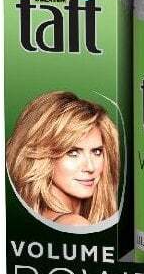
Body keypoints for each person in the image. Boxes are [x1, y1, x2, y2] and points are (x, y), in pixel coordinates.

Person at [6, 91, 119, 225]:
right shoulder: (75, 224)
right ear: (44, 157)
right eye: (73, 153)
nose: (90, 167)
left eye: (97, 152)